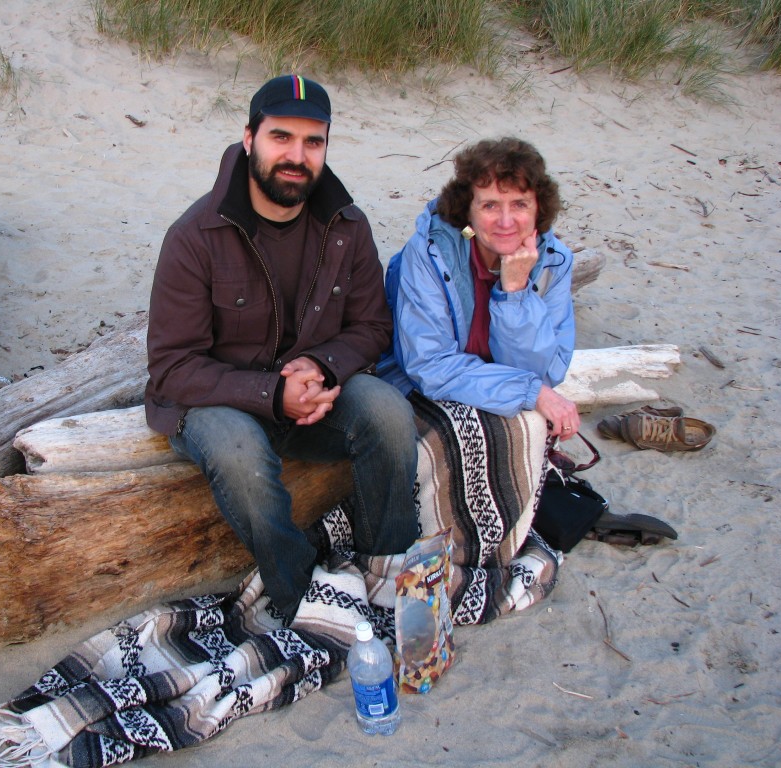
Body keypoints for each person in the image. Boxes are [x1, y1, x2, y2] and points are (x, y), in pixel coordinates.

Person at [144, 75, 419, 623]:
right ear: (249, 138)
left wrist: (321, 366)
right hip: (216, 402)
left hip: (314, 396)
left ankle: (385, 567)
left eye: (313, 141)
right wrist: (273, 394)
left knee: (389, 412)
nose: (297, 156)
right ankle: (299, 591)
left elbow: (371, 325)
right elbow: (172, 367)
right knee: (240, 454)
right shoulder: (195, 235)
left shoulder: (347, 226)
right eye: (281, 137)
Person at [380, 136, 581, 439]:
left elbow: (544, 372)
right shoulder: (430, 254)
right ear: (468, 212)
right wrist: (530, 391)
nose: (506, 221)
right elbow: (429, 365)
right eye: (490, 205)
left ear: (538, 208)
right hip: (421, 388)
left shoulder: (555, 261)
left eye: (520, 204)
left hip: (503, 391)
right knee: (480, 435)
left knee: (531, 426)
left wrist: (515, 291)